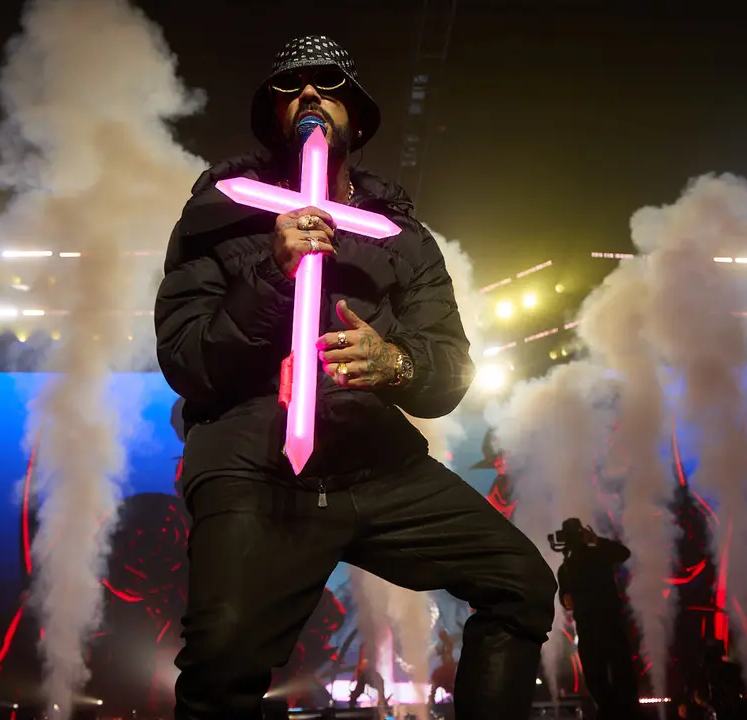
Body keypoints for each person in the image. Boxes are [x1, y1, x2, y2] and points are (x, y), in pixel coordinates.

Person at [155, 35, 556, 719]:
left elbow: (449, 368)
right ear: (272, 116)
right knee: (223, 660)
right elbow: (187, 362)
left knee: (520, 584)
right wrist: (270, 275)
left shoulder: (402, 238)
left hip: (375, 464)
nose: (309, 93)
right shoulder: (219, 215)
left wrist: (395, 363)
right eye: (290, 86)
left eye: (329, 82)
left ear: (359, 117)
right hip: (253, 462)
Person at [555, 519, 637, 717]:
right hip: (595, 625)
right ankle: (614, 712)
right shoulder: (568, 567)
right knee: (602, 675)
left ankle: (618, 711)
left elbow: (623, 554)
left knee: (608, 675)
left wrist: (597, 541)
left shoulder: (594, 556)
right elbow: (566, 598)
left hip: (605, 624)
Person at [348, 642, 387, 708]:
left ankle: (381, 701)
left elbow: (363, 661)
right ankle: (352, 702)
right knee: (360, 689)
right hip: (365, 673)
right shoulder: (366, 647)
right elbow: (362, 662)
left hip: (367, 672)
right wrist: (356, 674)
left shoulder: (371, 647)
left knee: (379, 683)